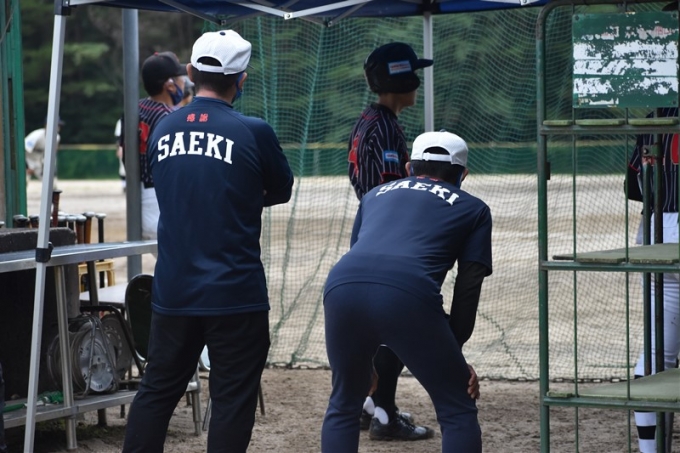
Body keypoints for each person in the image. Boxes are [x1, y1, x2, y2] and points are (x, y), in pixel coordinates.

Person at [122, 29, 294, 453]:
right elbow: (281, 189)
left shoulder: (164, 127)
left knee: (157, 391)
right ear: (242, 79)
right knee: (232, 399)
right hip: (235, 291)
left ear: (191, 71)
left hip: (174, 289)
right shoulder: (253, 131)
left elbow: (169, 187)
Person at [322, 130, 492, 452]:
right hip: (408, 291)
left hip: (342, 285)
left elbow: (368, 278)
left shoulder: (374, 195)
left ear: (409, 167)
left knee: (344, 403)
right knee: (457, 407)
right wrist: (453, 355)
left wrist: (366, 362)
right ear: (464, 174)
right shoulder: (474, 208)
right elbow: (468, 288)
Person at [347, 41, 435, 440]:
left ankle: (371, 404)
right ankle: (383, 413)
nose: (417, 82)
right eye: (413, 74)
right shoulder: (381, 127)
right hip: (385, 237)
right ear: (400, 80)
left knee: (382, 327)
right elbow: (385, 192)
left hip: (373, 233)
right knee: (396, 324)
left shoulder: (374, 120)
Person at [626, 105, 680, 453]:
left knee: (657, 353)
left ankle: (650, 450)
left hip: (657, 229)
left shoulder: (656, 115)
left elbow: (633, 187)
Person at [118, 50, 187, 241]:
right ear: (169, 85)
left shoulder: (134, 108)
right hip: (158, 198)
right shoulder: (170, 117)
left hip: (136, 194)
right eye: (180, 78)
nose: (184, 82)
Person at [24, 116, 64, 183]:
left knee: (51, 183)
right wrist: (26, 166)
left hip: (39, 159)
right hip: (28, 158)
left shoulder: (57, 137)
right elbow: (23, 149)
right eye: (56, 125)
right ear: (46, 125)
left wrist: (47, 164)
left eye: (58, 125)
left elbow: (53, 153)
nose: (58, 127)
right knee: (24, 181)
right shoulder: (36, 135)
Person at [114, 118, 126, 193]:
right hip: (123, 146)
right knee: (123, 168)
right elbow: (118, 138)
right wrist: (119, 148)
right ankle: (124, 185)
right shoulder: (121, 121)